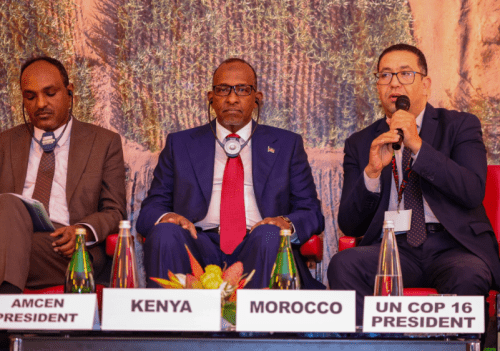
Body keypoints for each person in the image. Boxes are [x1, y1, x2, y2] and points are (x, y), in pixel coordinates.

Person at [328, 44, 500, 324]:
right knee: (344, 265)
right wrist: (372, 172)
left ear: (425, 84)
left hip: (452, 246)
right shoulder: (360, 143)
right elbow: (350, 225)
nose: (394, 82)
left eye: (405, 74)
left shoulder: (459, 125)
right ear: (378, 86)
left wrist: (418, 147)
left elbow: (471, 191)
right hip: (392, 249)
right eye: (385, 75)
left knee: (469, 274)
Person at [136, 58, 325, 289]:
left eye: (243, 90)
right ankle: (178, 325)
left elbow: (311, 212)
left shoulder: (287, 144)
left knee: (269, 234)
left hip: (258, 244)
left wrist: (283, 222)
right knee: (165, 233)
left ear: (257, 98)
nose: (232, 98)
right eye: (223, 89)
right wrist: (166, 218)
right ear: (211, 97)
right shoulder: (180, 144)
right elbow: (150, 210)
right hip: (198, 243)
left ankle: (255, 326)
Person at [0, 57, 126, 293]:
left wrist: (82, 230)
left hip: (69, 249)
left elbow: (115, 211)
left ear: (70, 93)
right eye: (30, 96)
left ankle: (5, 312)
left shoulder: (103, 142)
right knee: (8, 204)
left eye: (50, 93)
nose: (40, 104)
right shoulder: (5, 143)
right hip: (11, 238)